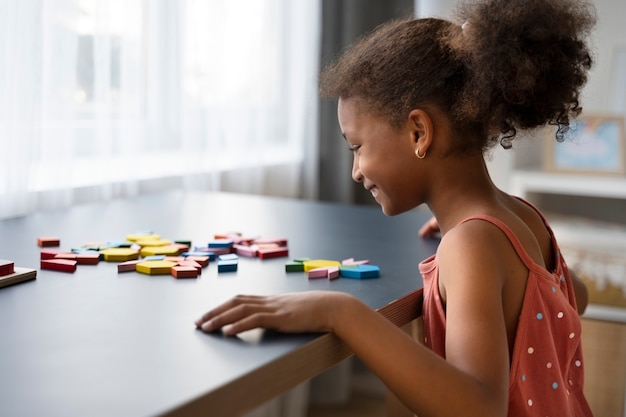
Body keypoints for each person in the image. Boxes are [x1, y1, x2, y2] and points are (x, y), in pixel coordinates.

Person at [195, 0, 597, 415]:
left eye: (358, 147)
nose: (355, 171)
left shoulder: (471, 245)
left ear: (419, 132)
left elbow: (478, 408)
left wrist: (343, 313)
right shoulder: (523, 219)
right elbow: (572, 299)